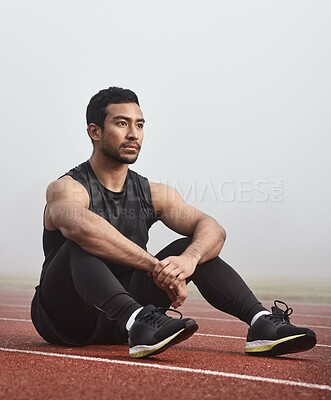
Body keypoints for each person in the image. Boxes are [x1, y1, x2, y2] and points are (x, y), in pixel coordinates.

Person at [31, 87, 316, 359]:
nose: (133, 134)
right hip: (66, 318)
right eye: (121, 124)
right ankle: (138, 319)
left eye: (140, 125)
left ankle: (261, 321)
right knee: (80, 244)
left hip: (123, 323)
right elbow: (80, 226)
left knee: (192, 246)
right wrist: (156, 267)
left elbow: (212, 228)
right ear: (95, 131)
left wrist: (187, 261)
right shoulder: (65, 188)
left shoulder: (153, 193)